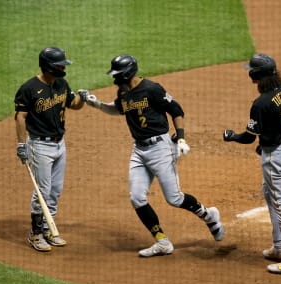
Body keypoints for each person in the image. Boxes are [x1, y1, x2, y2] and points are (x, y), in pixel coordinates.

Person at [84, 54, 224, 257]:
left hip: (160, 148)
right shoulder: (123, 93)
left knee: (174, 199)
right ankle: (162, 242)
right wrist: (97, 104)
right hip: (139, 151)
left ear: (127, 73)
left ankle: (209, 215)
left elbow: (176, 110)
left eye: (117, 76)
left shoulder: (152, 89)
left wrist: (182, 139)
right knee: (137, 197)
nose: (114, 80)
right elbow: (118, 109)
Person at [223, 53, 281, 275]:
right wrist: (269, 140)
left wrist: (230, 136)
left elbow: (248, 137)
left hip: (275, 156)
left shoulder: (260, 103)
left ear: (256, 75)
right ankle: (279, 247)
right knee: (268, 193)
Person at [15, 47, 89, 252]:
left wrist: (82, 98)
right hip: (39, 145)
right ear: (48, 66)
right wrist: (22, 145)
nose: (63, 68)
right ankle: (35, 234)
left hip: (59, 144)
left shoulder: (61, 84)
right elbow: (20, 116)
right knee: (42, 191)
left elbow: (72, 104)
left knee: (55, 190)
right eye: (60, 65)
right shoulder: (29, 88)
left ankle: (49, 228)